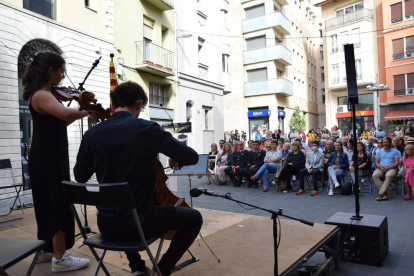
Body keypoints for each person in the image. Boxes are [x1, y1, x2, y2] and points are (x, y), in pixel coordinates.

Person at [74, 81, 201, 276]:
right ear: (139, 104)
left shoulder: (92, 134)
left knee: (123, 205)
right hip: (139, 225)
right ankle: (162, 270)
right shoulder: (148, 129)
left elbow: (79, 176)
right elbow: (191, 157)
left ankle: (138, 268)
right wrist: (174, 154)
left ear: (114, 104)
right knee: (194, 218)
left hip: (105, 225)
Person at [24, 51, 92, 272]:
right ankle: (60, 259)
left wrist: (80, 112)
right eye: (61, 70)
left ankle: (47, 250)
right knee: (56, 202)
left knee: (48, 202)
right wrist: (88, 111)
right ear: (50, 70)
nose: (63, 76)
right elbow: (64, 114)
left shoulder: (44, 94)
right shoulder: (42, 95)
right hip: (48, 157)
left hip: (47, 155)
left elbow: (58, 123)